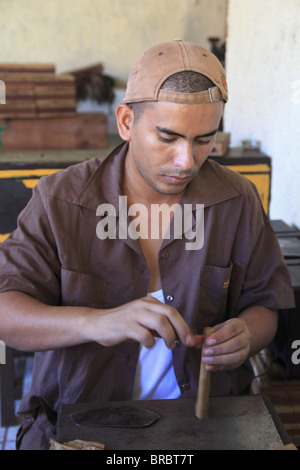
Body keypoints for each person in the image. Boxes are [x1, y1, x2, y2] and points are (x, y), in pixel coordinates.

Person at [0, 40, 295, 450]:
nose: (186, 161)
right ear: (125, 122)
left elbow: (267, 306)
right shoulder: (61, 200)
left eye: (203, 140)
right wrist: (95, 322)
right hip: (80, 430)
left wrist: (246, 335)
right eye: (168, 137)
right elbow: (5, 312)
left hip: (204, 430)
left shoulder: (237, 200)